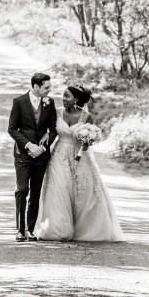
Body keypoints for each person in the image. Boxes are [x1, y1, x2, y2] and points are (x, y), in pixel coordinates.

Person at [32, 84, 124, 242]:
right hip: (59, 156)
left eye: (67, 96)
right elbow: (50, 132)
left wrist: (87, 142)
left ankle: (85, 229)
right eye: (64, 95)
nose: (64, 98)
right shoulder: (57, 112)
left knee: (82, 193)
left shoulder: (86, 117)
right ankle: (58, 230)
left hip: (80, 157)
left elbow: (90, 139)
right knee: (58, 190)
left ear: (76, 99)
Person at [7, 72, 58, 242]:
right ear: (36, 86)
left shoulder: (50, 104)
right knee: (22, 190)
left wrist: (43, 148)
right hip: (23, 154)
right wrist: (29, 145)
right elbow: (12, 129)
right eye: (46, 87)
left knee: (35, 192)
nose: (49, 91)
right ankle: (20, 230)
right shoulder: (19, 102)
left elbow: (53, 129)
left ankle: (30, 229)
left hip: (41, 156)